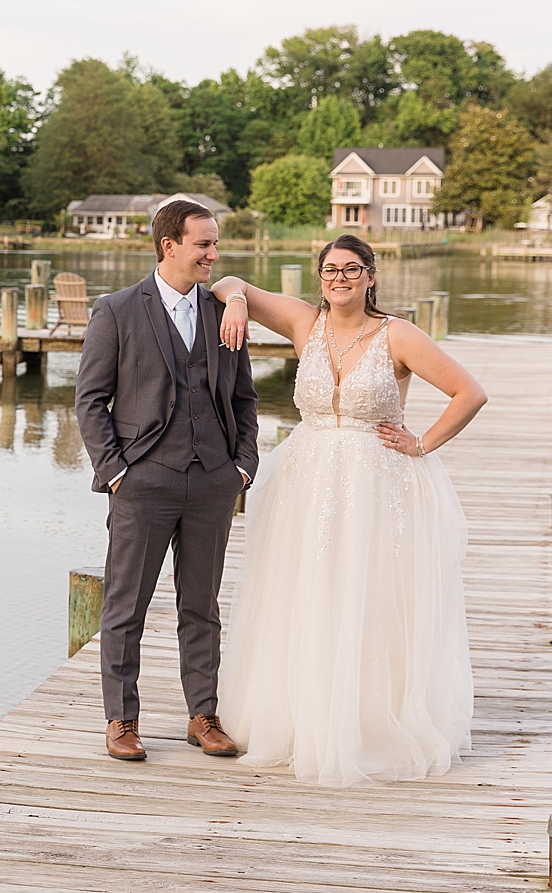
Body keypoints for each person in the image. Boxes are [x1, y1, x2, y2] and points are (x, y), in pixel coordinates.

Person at [211, 233, 487, 786]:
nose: (341, 278)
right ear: (320, 277)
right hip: (307, 481)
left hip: (376, 483)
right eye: (331, 269)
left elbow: (469, 392)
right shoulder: (301, 323)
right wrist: (239, 301)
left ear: (371, 275)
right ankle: (300, 719)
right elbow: (225, 283)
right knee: (307, 590)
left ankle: (363, 724)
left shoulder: (398, 335)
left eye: (352, 269)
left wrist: (422, 442)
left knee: (367, 595)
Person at [75, 200, 259, 761]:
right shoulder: (117, 310)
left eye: (215, 244)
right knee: (126, 606)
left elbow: (245, 399)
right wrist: (115, 474)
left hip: (212, 483)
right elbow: (90, 401)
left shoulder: (225, 312)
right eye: (203, 244)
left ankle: (202, 715)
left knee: (201, 607)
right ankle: (121, 720)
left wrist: (242, 468)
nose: (213, 254)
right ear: (169, 246)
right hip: (142, 482)